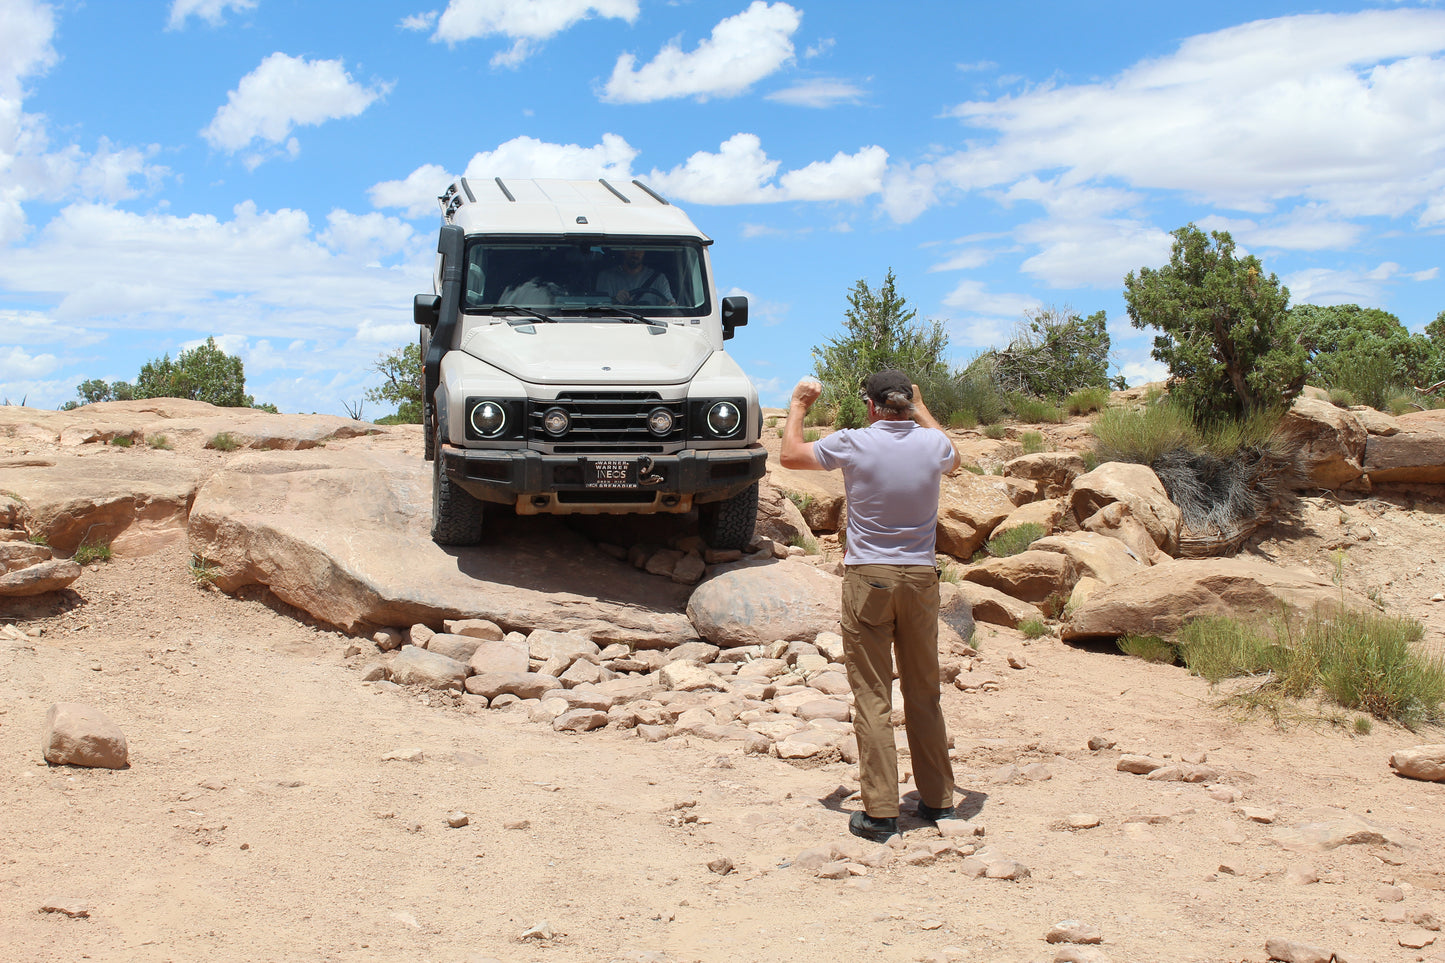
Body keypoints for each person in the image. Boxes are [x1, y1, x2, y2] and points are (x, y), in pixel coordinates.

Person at [780, 370, 962, 842]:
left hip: (869, 579)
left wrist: (799, 405)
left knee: (873, 695)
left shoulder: (855, 442)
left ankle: (880, 811)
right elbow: (956, 456)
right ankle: (940, 802)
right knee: (924, 692)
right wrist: (922, 409)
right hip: (921, 579)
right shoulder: (932, 445)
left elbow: (790, 456)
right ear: (909, 403)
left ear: (871, 405)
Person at [596, 249, 673, 305]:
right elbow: (599, 305)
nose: (635, 253)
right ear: (623, 250)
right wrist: (614, 300)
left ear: (644, 251)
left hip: (654, 321)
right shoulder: (607, 276)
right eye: (630, 248)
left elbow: (670, 304)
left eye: (639, 249)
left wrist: (672, 307)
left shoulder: (659, 278)